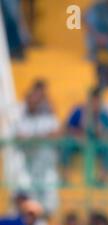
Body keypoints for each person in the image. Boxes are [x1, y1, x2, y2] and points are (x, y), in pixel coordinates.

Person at [15, 80, 60, 215]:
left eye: (37, 99)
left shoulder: (47, 118)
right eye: (31, 99)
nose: (34, 102)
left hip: (47, 169)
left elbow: (56, 133)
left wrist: (34, 138)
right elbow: (19, 136)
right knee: (27, 206)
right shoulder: (20, 119)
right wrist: (40, 138)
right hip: (27, 169)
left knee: (48, 207)